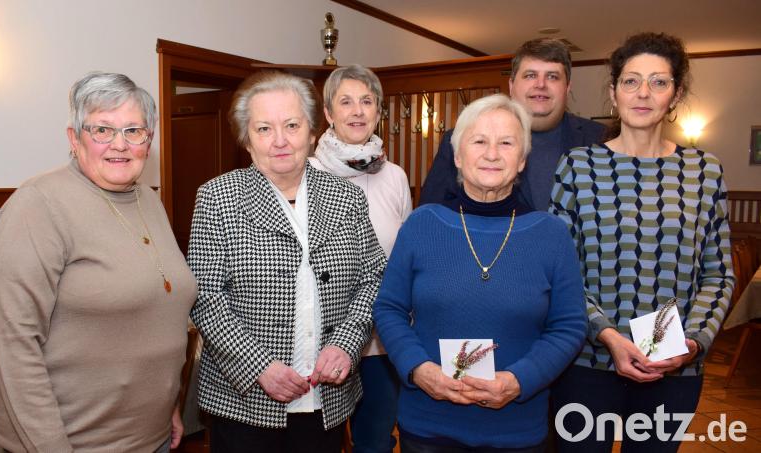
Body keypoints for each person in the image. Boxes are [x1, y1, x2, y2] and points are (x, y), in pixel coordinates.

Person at [0, 72, 197, 452]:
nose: (120, 144)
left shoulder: (148, 200)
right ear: (74, 138)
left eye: (134, 131)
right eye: (102, 129)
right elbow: (15, 349)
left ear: (149, 140)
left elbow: (155, 317)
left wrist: (168, 408)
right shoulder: (37, 205)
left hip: (152, 438)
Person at [549, 32, 735, 452]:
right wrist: (610, 337)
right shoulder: (578, 166)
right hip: (588, 363)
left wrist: (692, 342)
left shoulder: (704, 170)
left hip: (676, 368)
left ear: (676, 93)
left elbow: (719, 272)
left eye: (659, 82)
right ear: (613, 90)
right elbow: (559, 272)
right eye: (631, 81)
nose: (643, 93)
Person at [187, 71, 387, 453]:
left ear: (312, 131)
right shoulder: (217, 198)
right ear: (246, 140)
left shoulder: (347, 198)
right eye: (263, 128)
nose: (279, 140)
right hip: (244, 401)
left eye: (292, 125)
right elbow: (205, 297)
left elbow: (374, 277)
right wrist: (259, 365)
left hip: (326, 395)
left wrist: (346, 343)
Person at [374, 93, 587, 452]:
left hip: (516, 429)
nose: (492, 153)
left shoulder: (551, 234)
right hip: (428, 424)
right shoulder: (421, 225)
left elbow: (569, 326)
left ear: (521, 160)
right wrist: (418, 369)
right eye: (479, 141)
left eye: (506, 143)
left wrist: (520, 381)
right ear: (458, 156)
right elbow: (388, 309)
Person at [309, 63, 412, 453]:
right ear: (329, 113)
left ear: (378, 111)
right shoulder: (307, 172)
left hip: (381, 341)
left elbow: (402, 256)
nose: (357, 111)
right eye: (346, 102)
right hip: (324, 338)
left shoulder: (395, 177)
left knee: (375, 441)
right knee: (320, 440)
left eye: (367, 101)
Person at [419, 38, 605, 210]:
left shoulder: (600, 139)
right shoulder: (460, 140)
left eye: (552, 77)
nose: (540, 84)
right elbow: (432, 213)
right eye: (530, 75)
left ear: (567, 87)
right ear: (511, 85)